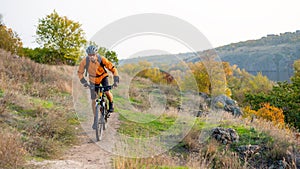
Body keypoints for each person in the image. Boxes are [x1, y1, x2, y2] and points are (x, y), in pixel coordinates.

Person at [77, 45, 119, 129]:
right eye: (89, 55)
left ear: (96, 54)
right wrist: (84, 82)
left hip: (103, 77)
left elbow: (113, 69)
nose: (91, 56)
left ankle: (111, 104)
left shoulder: (102, 59)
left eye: (93, 54)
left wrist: (116, 80)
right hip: (93, 80)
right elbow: (80, 72)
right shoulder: (84, 61)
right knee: (93, 100)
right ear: (87, 55)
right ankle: (95, 119)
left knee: (107, 92)